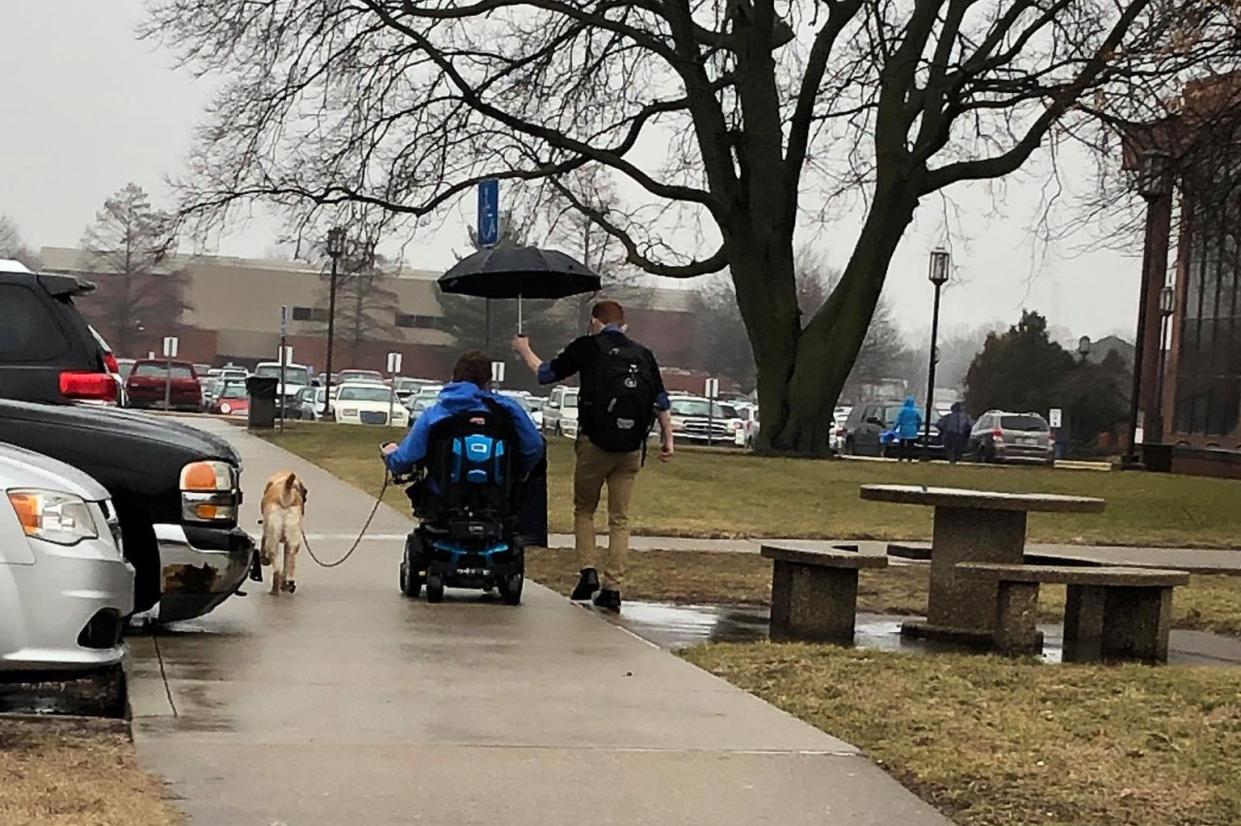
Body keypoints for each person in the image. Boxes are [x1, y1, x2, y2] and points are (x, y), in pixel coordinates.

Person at [512, 300, 673, 612]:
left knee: (584, 508)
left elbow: (545, 374)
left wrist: (523, 349)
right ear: (624, 324)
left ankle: (588, 573)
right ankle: (613, 588)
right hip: (630, 448)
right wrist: (668, 439)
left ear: (595, 320)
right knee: (620, 519)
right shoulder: (643, 354)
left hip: (594, 443)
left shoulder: (587, 346)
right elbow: (661, 400)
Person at [382, 350, 544, 481]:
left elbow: (406, 459)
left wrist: (390, 455)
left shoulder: (434, 414)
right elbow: (534, 447)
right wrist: (516, 471)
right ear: (488, 381)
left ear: (454, 378)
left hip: (442, 504)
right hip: (499, 504)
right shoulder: (509, 410)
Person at [893, 396, 923, 462]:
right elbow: (919, 420)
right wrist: (917, 428)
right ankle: (909, 457)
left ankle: (900, 456)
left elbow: (899, 420)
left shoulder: (903, 411)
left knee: (902, 443)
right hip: (912, 429)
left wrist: (894, 428)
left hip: (904, 428)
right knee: (911, 444)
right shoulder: (915, 411)